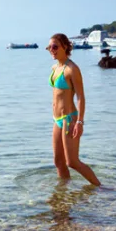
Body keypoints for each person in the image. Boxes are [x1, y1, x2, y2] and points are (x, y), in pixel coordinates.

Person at [47, 33, 101, 186]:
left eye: (55, 46)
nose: (52, 50)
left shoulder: (72, 69)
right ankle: (64, 195)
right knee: (58, 161)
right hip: (57, 120)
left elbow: (81, 97)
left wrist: (80, 122)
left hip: (69, 119)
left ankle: (100, 187)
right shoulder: (55, 67)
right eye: (49, 47)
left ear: (65, 47)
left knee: (72, 161)